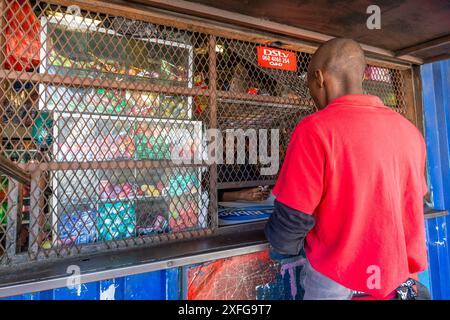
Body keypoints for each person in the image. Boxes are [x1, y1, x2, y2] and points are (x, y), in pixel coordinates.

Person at [265, 38, 429, 300]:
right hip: (400, 281)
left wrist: (280, 246)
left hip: (336, 281)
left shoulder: (314, 129)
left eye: (309, 85)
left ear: (318, 78)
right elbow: (414, 203)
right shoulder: (410, 131)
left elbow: (291, 221)